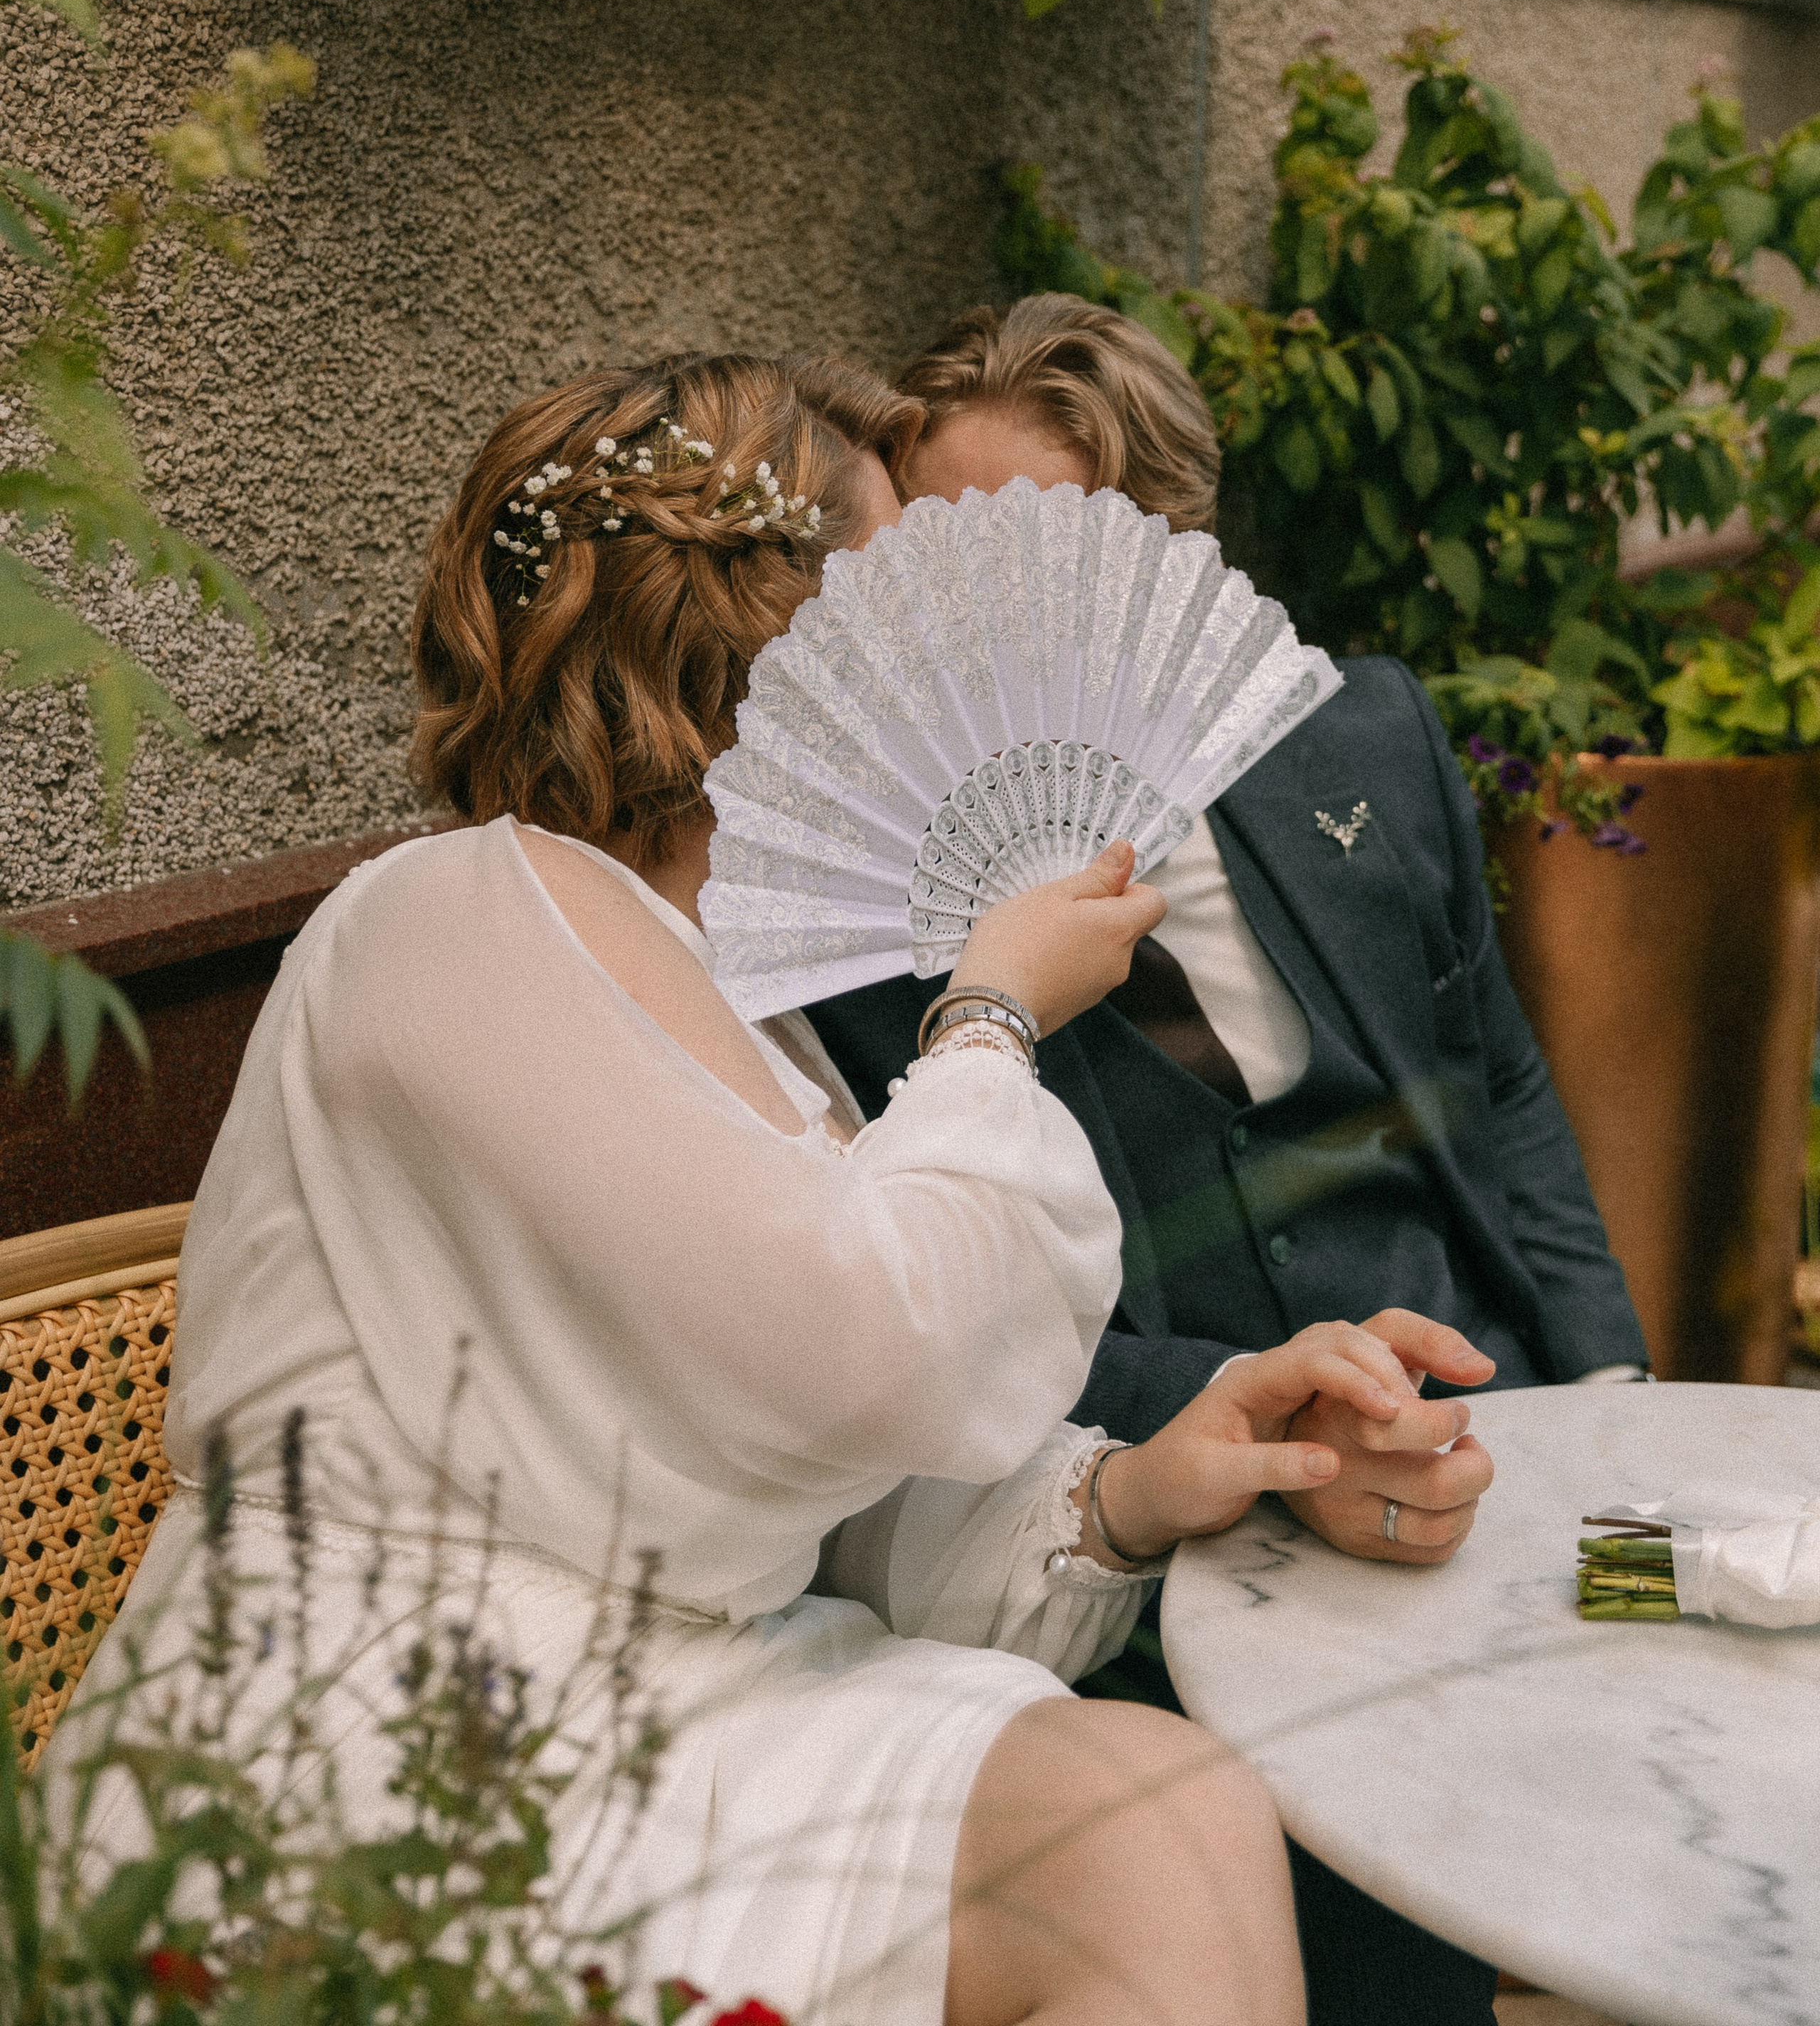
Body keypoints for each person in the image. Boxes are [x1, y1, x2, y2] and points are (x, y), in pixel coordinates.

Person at [54, 350, 1495, 2026]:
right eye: (907, 576)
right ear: (760, 623)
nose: (954, 629)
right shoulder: (444, 917)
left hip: (697, 1681)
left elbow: (789, 1469)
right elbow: (862, 1352)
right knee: (1155, 1831)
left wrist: (1148, 1485)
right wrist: (991, 1011)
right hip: (408, 1729)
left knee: (1167, 1817)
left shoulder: (742, 995)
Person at [805, 296, 1651, 2026]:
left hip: (1474, 1420)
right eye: (941, 577)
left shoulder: (1362, 739)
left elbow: (1499, 1098)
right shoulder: (859, 914)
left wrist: (1608, 1390)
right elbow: (934, 1313)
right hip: (1159, 1513)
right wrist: (1262, 1414)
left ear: (1167, 564)